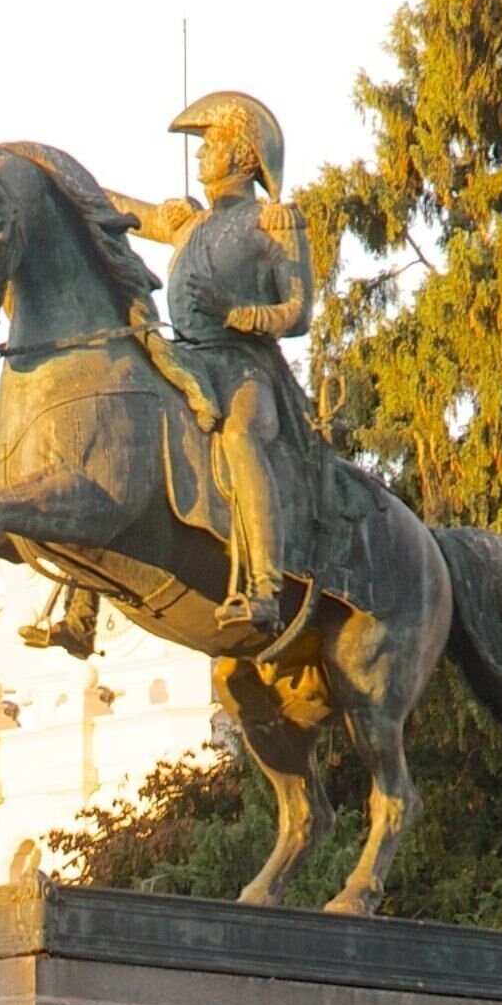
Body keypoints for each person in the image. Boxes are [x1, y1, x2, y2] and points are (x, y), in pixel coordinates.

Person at [111, 90, 326, 641]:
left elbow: (299, 311)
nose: (202, 157)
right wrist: (33, 168)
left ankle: (264, 588)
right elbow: (116, 208)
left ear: (242, 154)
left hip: (246, 369)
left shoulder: (275, 220)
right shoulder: (188, 224)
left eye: (211, 145)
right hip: (186, 361)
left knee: (238, 438)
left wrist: (241, 314)